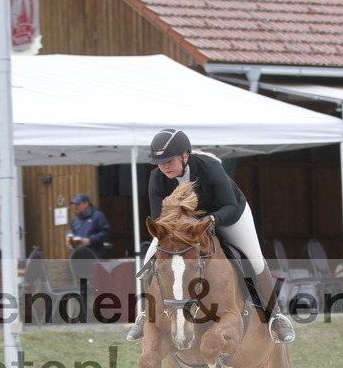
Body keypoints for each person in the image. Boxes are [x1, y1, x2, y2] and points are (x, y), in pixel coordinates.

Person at [126, 128, 295, 344]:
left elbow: (230, 206)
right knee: (150, 260)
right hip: (185, 228)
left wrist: (210, 222)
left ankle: (276, 315)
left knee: (253, 258)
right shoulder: (157, 178)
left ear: (185, 156)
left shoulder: (210, 167)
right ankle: (145, 313)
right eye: (160, 162)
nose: (164, 166)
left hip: (226, 215)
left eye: (169, 160)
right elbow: (159, 219)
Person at [66, 193, 111, 259]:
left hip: (94, 256)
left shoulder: (98, 216)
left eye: (78, 204)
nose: (76, 206)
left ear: (86, 203)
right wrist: (71, 241)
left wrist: (91, 240)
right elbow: (71, 236)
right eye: (75, 204)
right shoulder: (75, 220)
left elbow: (106, 233)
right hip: (78, 258)